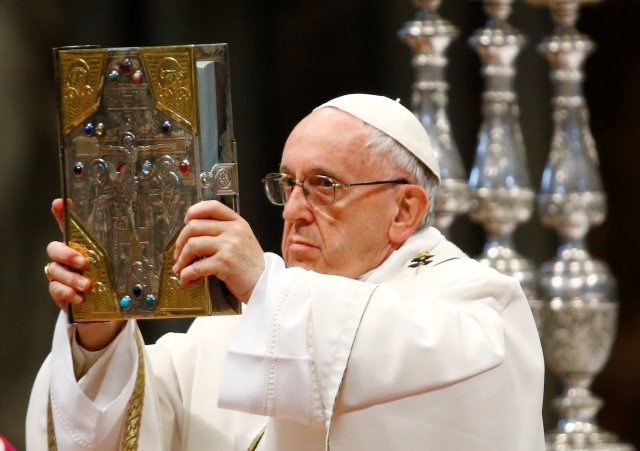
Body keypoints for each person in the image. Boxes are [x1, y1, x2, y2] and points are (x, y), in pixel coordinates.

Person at [27, 94, 544, 450]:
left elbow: (408, 358)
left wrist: (261, 282)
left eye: (324, 186)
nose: (293, 210)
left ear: (404, 210)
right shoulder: (241, 325)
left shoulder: (475, 306)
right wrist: (97, 331)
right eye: (288, 184)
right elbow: (128, 429)